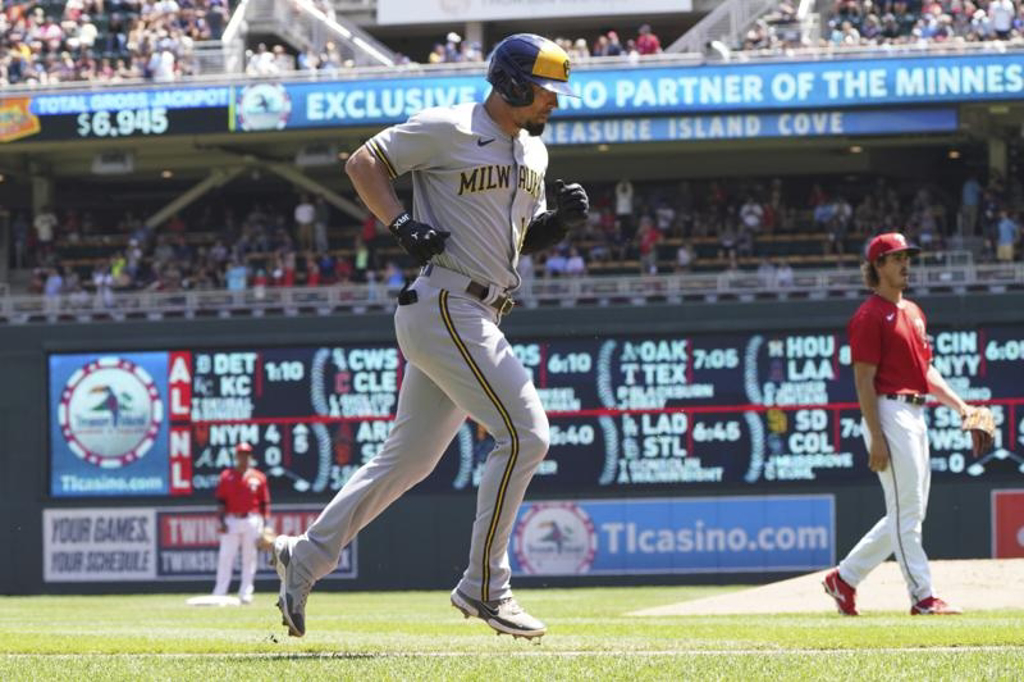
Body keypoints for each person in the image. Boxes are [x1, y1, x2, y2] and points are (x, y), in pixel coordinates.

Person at [270, 33, 588, 641]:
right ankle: (486, 586)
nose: (556, 101)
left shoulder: (535, 154)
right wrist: (401, 223)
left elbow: (520, 243)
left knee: (407, 460)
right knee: (526, 435)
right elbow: (363, 162)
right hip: (447, 301)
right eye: (548, 89)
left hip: (477, 309)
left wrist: (557, 226)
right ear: (516, 83)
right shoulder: (449, 126)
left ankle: (306, 556)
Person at [823, 232, 984, 617]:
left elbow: (925, 371)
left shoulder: (912, 311)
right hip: (887, 411)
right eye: (896, 258)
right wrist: (876, 435)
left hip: (914, 410)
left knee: (908, 512)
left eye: (907, 257)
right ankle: (923, 596)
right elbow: (863, 380)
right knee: (906, 513)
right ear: (877, 266)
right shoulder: (868, 316)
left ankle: (844, 579)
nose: (905, 264)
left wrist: (961, 407)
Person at [212, 442, 271, 605]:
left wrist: (266, 524)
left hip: (252, 519)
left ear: (250, 456)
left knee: (249, 557)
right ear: (236, 456)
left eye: (246, 454)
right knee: (226, 557)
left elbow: (264, 502)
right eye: (241, 454)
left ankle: (246, 592)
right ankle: (220, 593)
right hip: (232, 520)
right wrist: (221, 520)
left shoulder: (259, 477)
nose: (244, 457)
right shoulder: (226, 476)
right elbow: (221, 501)